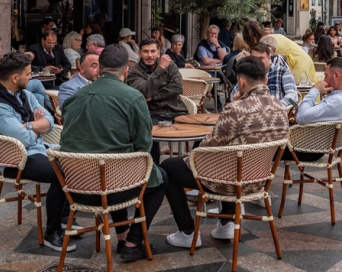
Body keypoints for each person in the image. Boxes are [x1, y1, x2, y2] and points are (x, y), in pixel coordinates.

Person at [162, 57, 289, 248]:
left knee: (169, 167)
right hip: (259, 180)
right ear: (265, 79)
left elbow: (208, 146)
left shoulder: (236, 109)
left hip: (228, 181)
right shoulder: (281, 108)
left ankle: (188, 232)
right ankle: (226, 223)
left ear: (241, 81)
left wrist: (191, 159)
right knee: (232, 156)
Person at [58, 45, 167, 262]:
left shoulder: (73, 98)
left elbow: (65, 139)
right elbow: (144, 146)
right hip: (115, 186)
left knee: (112, 162)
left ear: (100, 70)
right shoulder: (133, 98)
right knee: (160, 177)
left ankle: (123, 235)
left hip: (75, 186)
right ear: (126, 71)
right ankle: (133, 242)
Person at [0, 53, 70, 250]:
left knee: (75, 164)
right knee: (61, 173)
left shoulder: (25, 95)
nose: (31, 77)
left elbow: (50, 121)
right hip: (16, 161)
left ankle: (64, 219)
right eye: (28, 74)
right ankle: (52, 232)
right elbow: (26, 139)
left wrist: (28, 125)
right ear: (15, 78)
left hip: (39, 150)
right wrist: (35, 127)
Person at [127, 38, 186, 164]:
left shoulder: (170, 64)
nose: (149, 55)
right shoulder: (134, 73)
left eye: (153, 51)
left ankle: (189, 166)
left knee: (205, 131)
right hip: (152, 113)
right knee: (148, 134)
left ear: (158, 52)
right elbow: (145, 92)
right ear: (139, 53)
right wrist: (161, 69)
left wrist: (154, 97)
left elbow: (178, 87)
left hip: (176, 110)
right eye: (145, 52)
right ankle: (155, 172)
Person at [241, 21, 316, 85]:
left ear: (253, 39)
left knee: (298, 89)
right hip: (303, 59)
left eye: (248, 42)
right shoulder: (270, 38)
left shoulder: (265, 43)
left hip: (299, 63)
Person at [248, 42, 298, 107]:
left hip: (277, 113)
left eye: (261, 58)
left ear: (269, 57)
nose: (258, 61)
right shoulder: (248, 73)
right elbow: (234, 95)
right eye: (254, 59)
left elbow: (292, 95)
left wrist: (276, 107)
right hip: (253, 113)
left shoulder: (282, 71)